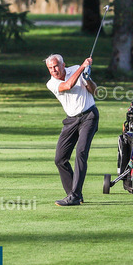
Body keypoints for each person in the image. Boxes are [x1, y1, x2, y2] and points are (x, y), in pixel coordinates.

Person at [46, 53, 99, 206]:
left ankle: (74, 196)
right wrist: (83, 67)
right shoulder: (51, 83)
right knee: (60, 159)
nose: (54, 70)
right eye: (50, 68)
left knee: (81, 152)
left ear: (63, 65)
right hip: (71, 120)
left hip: (89, 116)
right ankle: (75, 194)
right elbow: (68, 86)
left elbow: (94, 91)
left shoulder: (75, 69)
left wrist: (88, 79)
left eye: (55, 66)